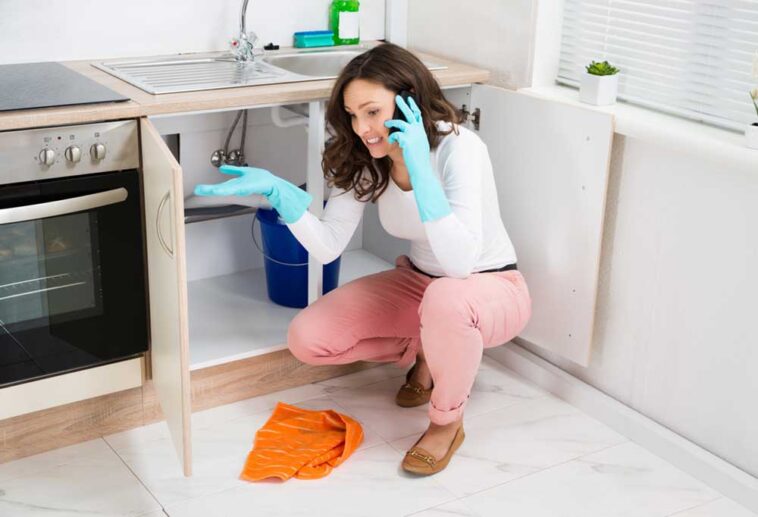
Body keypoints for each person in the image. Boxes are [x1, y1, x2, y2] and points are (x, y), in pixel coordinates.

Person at [194, 43, 532, 476]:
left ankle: (447, 422)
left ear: (409, 99)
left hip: (488, 287)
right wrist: (280, 196)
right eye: (353, 115)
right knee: (309, 337)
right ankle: (427, 349)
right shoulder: (368, 159)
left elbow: (460, 264)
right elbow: (328, 244)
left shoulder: (459, 148)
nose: (362, 128)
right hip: (423, 285)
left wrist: (419, 170)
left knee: (447, 299)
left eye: (372, 112)